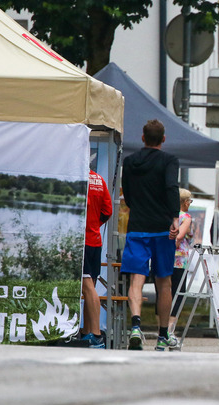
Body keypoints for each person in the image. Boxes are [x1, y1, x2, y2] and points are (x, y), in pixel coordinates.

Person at [121, 119, 181, 351]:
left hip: (137, 226)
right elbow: (171, 188)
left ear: (143, 138)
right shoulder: (169, 161)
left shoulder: (130, 161)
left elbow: (127, 193)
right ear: (163, 139)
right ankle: (163, 334)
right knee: (164, 282)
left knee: (136, 279)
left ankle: (136, 326)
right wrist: (174, 218)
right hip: (162, 229)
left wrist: (138, 209)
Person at [80, 166, 113, 348]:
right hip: (95, 241)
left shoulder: (77, 178)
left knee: (88, 288)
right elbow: (107, 211)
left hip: (82, 240)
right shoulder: (99, 179)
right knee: (89, 288)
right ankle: (86, 332)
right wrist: (94, 223)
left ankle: (96, 335)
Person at [166, 188, 194, 346]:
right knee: (178, 293)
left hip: (165, 257)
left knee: (164, 290)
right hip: (179, 260)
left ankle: (162, 327)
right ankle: (170, 329)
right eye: (190, 201)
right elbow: (180, 235)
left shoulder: (169, 215)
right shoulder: (186, 217)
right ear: (184, 202)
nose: (190, 204)